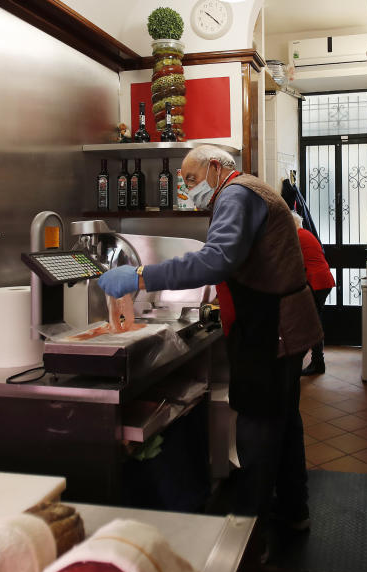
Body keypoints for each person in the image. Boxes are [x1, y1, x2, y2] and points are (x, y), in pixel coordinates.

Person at [98, 145, 323, 533]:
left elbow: (215, 259)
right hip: (285, 326)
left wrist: (139, 276)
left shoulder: (234, 194)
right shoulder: (253, 190)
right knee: (284, 423)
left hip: (271, 330)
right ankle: (293, 510)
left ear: (216, 168)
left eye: (190, 179)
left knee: (258, 428)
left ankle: (249, 535)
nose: (187, 190)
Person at [291, 212, 335, 375]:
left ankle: (317, 362)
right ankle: (316, 361)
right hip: (322, 280)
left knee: (311, 322)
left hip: (317, 281)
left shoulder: (297, 236)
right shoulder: (305, 234)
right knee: (312, 320)